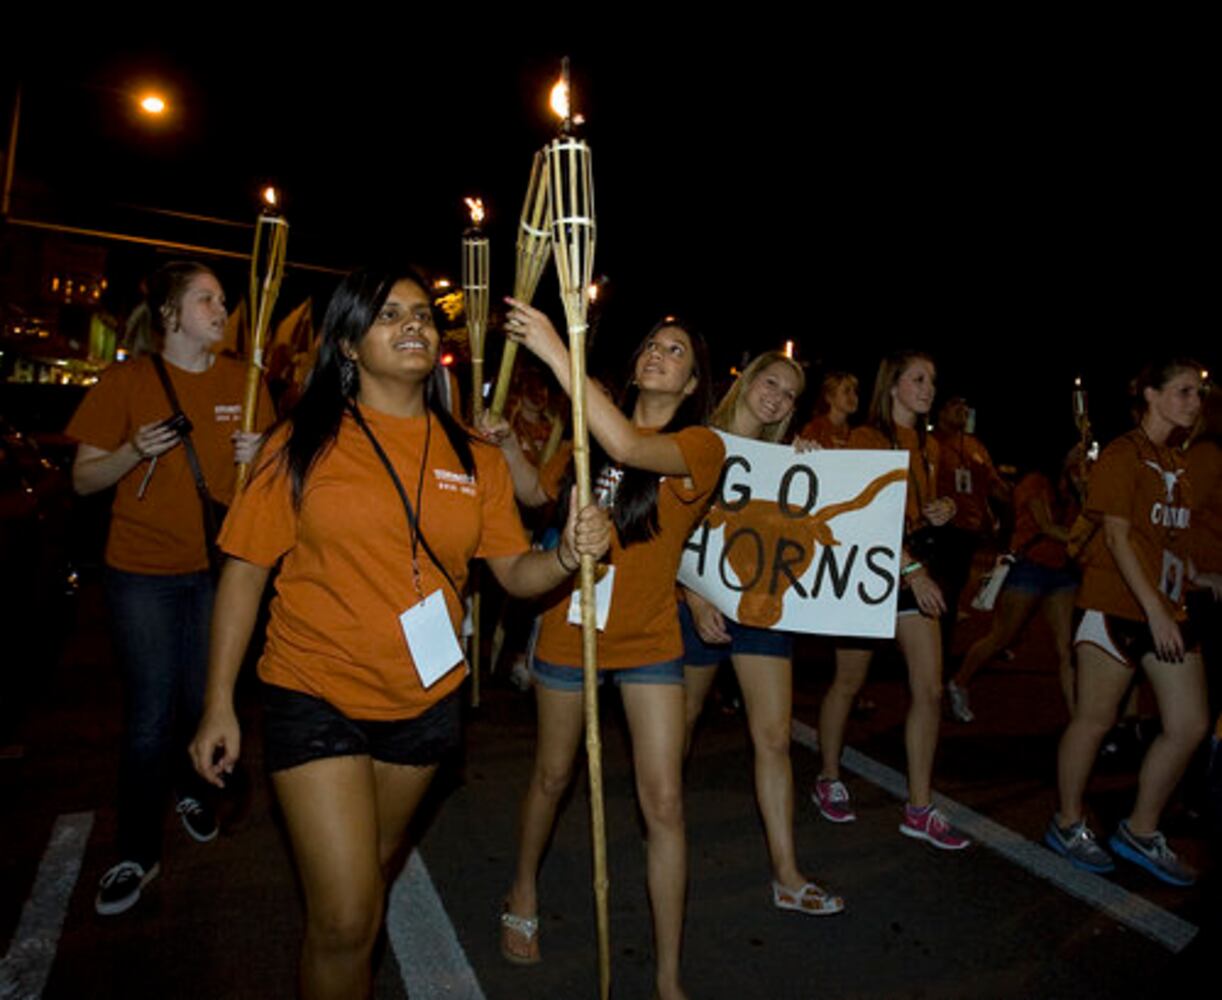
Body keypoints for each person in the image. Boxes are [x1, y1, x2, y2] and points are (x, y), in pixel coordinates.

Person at [189, 267, 610, 1000]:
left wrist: (568, 556)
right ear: (348, 343)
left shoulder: (474, 455)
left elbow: (513, 573)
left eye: (422, 314)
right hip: (313, 692)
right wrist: (219, 700)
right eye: (390, 315)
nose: (415, 324)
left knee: (358, 894)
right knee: (349, 915)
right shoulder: (300, 443)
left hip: (425, 704)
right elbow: (246, 572)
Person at [495, 303, 724, 1000]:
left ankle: (667, 976)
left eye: (676, 350)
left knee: (665, 803)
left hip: (651, 639)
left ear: (691, 385)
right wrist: (506, 445)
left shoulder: (701, 446)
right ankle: (523, 888)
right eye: (652, 345)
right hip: (571, 629)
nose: (659, 353)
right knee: (553, 777)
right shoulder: (589, 437)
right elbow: (538, 491)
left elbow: (628, 446)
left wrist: (558, 352)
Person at [66, 261, 272, 916]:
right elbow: (83, 480)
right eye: (207, 299)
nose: (221, 309)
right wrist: (133, 451)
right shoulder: (125, 379)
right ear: (172, 315)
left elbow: (278, 481)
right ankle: (135, 850)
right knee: (153, 713)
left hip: (219, 570)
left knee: (200, 699)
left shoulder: (247, 382)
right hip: (142, 574)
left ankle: (190, 786)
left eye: (222, 299)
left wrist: (261, 456)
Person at [681, 351, 844, 916]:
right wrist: (695, 598)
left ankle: (787, 872)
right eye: (768, 383)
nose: (775, 396)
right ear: (747, 383)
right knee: (679, 725)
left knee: (773, 737)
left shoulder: (787, 463)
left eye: (789, 393)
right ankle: (663, 826)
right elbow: (668, 530)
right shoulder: (698, 441)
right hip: (693, 605)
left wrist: (813, 470)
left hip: (762, 613)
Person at [1046, 358, 1219, 885]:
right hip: (1116, 606)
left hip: (1166, 608)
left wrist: (1199, 576)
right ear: (1150, 394)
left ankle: (1140, 829)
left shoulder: (1181, 464)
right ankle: (1067, 822)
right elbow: (1119, 538)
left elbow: (1166, 541)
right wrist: (1153, 611)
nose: (1195, 402)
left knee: (1190, 724)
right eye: (1184, 391)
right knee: (1095, 719)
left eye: (1199, 394)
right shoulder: (1123, 454)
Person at [812, 350, 970, 849]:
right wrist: (911, 569)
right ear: (894, 385)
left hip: (913, 569)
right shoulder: (864, 438)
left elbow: (908, 511)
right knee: (849, 681)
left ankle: (919, 807)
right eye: (918, 379)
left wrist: (938, 510)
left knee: (929, 690)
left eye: (933, 380)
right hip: (872, 571)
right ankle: (828, 776)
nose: (928, 389)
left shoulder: (931, 446)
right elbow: (861, 515)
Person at [948, 446, 1084, 722]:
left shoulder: (1072, 482)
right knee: (1001, 637)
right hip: (1029, 568)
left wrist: (1082, 490)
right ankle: (959, 682)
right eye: (1076, 448)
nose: (1082, 452)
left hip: (1061, 572)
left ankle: (1078, 719)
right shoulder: (1035, 482)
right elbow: (1046, 526)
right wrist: (1082, 538)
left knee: (1066, 648)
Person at [933, 395, 1009, 663]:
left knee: (955, 591)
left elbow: (991, 484)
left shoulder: (975, 446)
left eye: (965, 406)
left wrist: (1012, 501)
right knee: (945, 592)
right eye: (955, 405)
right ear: (941, 411)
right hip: (942, 530)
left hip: (969, 532)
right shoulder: (932, 443)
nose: (962, 411)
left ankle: (940, 648)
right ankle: (934, 653)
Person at [798, 369, 858, 449]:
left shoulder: (855, 433)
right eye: (846, 391)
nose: (853, 396)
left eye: (855, 392)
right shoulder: (815, 429)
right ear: (829, 397)